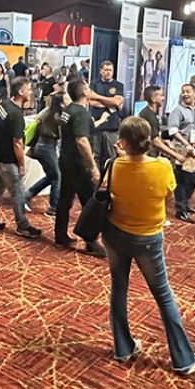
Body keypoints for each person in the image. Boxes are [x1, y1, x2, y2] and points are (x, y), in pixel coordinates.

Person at [104, 116, 195, 375]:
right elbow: (168, 195)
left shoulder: (113, 165)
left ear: (123, 141)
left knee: (119, 287)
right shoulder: (162, 166)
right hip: (148, 237)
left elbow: (109, 191)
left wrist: (121, 158)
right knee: (162, 294)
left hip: (115, 234)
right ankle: (183, 358)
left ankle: (123, 347)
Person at [0, 78, 42, 238]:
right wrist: (22, 164)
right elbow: (17, 143)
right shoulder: (16, 114)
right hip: (8, 159)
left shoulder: (4, 104)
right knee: (18, 192)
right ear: (21, 92)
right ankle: (22, 225)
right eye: (28, 89)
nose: (30, 92)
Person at [54, 79, 106, 257]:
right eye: (89, 88)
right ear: (84, 93)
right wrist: (92, 166)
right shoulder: (81, 113)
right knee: (90, 202)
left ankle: (60, 236)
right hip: (78, 164)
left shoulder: (68, 110)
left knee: (65, 198)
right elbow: (82, 141)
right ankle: (91, 242)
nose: (91, 90)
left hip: (66, 160)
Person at [165, 83, 195, 223]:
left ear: (194, 93)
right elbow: (172, 130)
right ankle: (181, 209)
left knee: (194, 179)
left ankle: (186, 202)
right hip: (182, 150)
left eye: (188, 91)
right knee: (182, 180)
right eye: (183, 92)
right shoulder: (177, 110)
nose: (185, 94)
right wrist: (186, 144)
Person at [25, 93, 65, 216]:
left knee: (51, 175)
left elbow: (37, 119)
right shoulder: (59, 115)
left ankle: (27, 195)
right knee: (56, 177)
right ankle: (53, 208)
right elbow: (61, 134)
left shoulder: (46, 111)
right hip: (48, 147)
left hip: (40, 146)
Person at [88, 60, 126, 169]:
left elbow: (117, 102)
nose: (108, 72)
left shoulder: (118, 85)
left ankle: (108, 181)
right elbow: (91, 102)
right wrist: (110, 102)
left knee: (112, 156)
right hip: (97, 127)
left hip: (112, 128)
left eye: (110, 70)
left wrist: (98, 97)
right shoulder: (94, 84)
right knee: (95, 157)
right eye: (105, 70)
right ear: (101, 71)